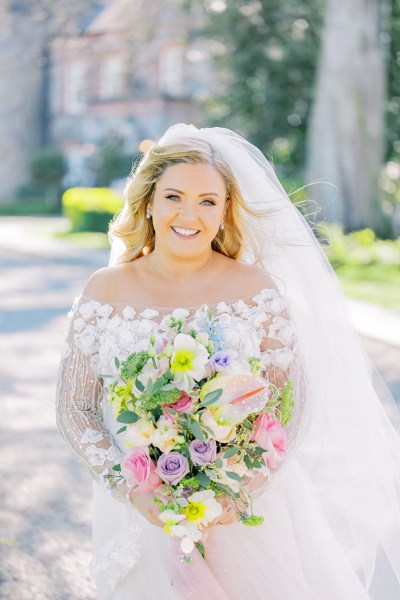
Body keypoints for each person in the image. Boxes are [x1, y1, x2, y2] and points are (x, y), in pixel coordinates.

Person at [56, 124, 400, 600]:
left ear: (225, 212)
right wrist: (133, 488)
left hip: (246, 511)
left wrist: (236, 491)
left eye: (207, 201)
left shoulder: (255, 290)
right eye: (174, 196)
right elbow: (75, 408)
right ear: (149, 202)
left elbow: (289, 404)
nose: (188, 215)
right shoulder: (104, 290)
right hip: (139, 512)